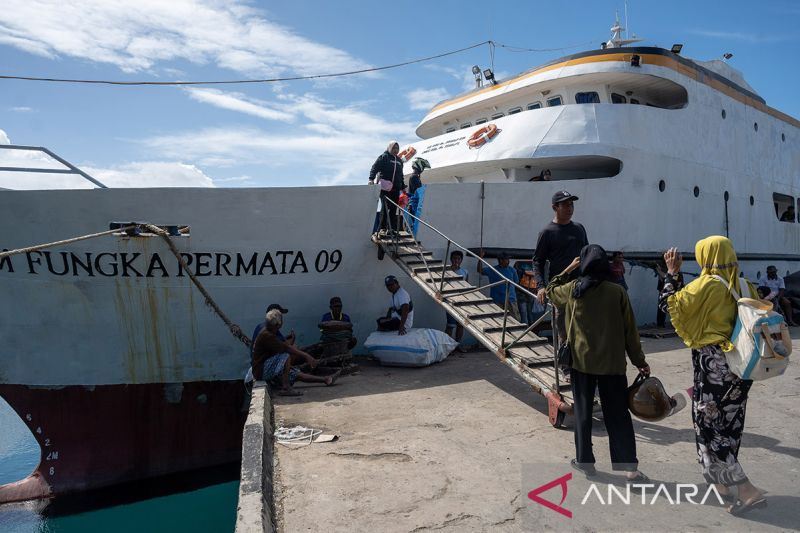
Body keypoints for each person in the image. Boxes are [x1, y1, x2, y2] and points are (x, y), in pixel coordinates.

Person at [659, 236, 766, 515]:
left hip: (714, 369)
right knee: (729, 426)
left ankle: (746, 490)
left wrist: (672, 274)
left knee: (712, 429)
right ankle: (719, 482)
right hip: (741, 370)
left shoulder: (707, 285)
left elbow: (669, 306)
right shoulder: (745, 285)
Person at [546, 244, 650, 481]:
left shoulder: (573, 289)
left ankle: (585, 462)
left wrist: (568, 269)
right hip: (612, 366)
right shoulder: (617, 292)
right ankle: (630, 470)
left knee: (582, 414)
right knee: (618, 416)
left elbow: (551, 290)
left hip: (581, 365)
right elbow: (630, 332)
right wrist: (639, 361)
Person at [533, 190, 589, 343]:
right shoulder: (547, 232)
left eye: (571, 204)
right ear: (554, 207)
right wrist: (541, 286)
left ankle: (580, 364)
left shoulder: (579, 228)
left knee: (583, 328)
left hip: (581, 286)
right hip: (559, 288)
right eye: (565, 205)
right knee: (563, 329)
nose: (570, 208)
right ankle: (564, 364)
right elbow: (538, 261)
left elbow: (587, 254)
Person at [252, 309, 338, 396]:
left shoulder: (271, 329)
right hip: (261, 371)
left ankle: (325, 379)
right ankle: (286, 388)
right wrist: (306, 355)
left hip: (264, 368)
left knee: (294, 374)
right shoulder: (267, 334)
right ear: (279, 324)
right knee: (285, 356)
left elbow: (282, 344)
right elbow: (286, 348)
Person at [369, 141, 405, 232]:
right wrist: (371, 179)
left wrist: (403, 187)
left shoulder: (400, 161)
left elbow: (401, 175)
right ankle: (382, 228)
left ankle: (391, 229)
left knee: (393, 208)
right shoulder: (384, 157)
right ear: (389, 148)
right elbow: (375, 167)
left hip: (395, 189)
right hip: (385, 188)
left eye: (397, 148)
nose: (396, 150)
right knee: (385, 207)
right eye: (394, 148)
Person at [477, 251, 520, 321]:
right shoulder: (492, 270)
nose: (508, 261)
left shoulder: (513, 270)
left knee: (515, 321)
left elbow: (516, 283)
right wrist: (480, 258)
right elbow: (479, 270)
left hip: (511, 300)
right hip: (497, 301)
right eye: (507, 259)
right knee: (497, 321)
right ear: (501, 260)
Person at [444, 251, 469, 351]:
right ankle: (447, 347)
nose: (456, 261)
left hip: (461, 302)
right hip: (450, 301)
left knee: (460, 325)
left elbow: (467, 287)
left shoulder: (465, 272)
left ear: (461, 260)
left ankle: (457, 345)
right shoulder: (446, 271)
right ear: (451, 259)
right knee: (450, 325)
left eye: (459, 259)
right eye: (454, 258)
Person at [515, 260, 544, 325]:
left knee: (526, 312)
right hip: (526, 292)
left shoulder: (520, 267)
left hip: (526, 292)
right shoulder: (534, 268)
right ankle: (528, 327)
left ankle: (527, 327)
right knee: (526, 312)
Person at [655, 261, 683, 328]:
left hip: (671, 292)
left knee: (666, 307)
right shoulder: (676, 272)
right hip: (666, 291)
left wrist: (658, 270)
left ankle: (663, 324)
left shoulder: (674, 273)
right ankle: (661, 324)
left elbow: (666, 277)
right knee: (663, 308)